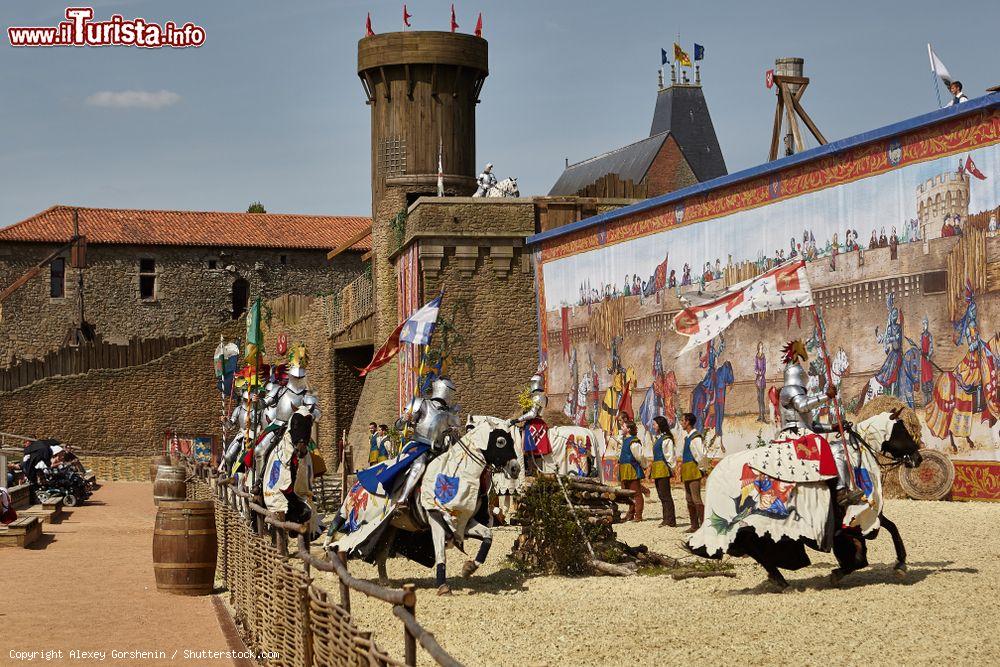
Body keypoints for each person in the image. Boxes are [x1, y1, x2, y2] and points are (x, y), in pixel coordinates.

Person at [777, 340, 862, 507]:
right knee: (836, 449)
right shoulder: (790, 390)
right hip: (794, 436)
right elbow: (803, 406)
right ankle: (840, 491)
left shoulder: (796, 392)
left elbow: (810, 425)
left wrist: (832, 427)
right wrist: (826, 396)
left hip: (802, 433)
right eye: (802, 374)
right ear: (797, 375)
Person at [678, 413, 706, 533]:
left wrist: (702, 469)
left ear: (688, 422)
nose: (681, 422)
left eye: (682, 420)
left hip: (693, 469)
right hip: (687, 469)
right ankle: (694, 525)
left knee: (696, 498)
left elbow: (700, 455)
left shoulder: (695, 437)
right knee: (689, 498)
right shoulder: (688, 437)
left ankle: (704, 525)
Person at [649, 416, 676, 527]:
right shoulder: (659, 438)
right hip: (657, 468)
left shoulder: (666, 439)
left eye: (654, 424)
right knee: (661, 495)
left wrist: (671, 468)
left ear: (660, 425)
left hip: (663, 469)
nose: (653, 426)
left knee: (666, 495)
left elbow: (670, 455)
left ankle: (671, 520)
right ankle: (666, 518)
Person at [617, 420, 645, 522]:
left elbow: (639, 456)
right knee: (628, 493)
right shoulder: (625, 440)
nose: (622, 428)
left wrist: (644, 465)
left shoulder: (634, 441)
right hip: (624, 468)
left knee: (636, 493)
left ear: (628, 429)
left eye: (623, 426)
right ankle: (630, 513)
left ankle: (638, 515)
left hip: (632, 468)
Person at [754, 342, 768, 422]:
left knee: (762, 399)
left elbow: (765, 368)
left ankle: (763, 417)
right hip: (757, 381)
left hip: (762, 381)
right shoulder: (756, 357)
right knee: (759, 399)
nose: (761, 349)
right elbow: (755, 367)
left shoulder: (764, 357)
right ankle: (760, 416)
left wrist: (762, 374)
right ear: (758, 348)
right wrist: (758, 372)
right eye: (760, 347)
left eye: (762, 347)